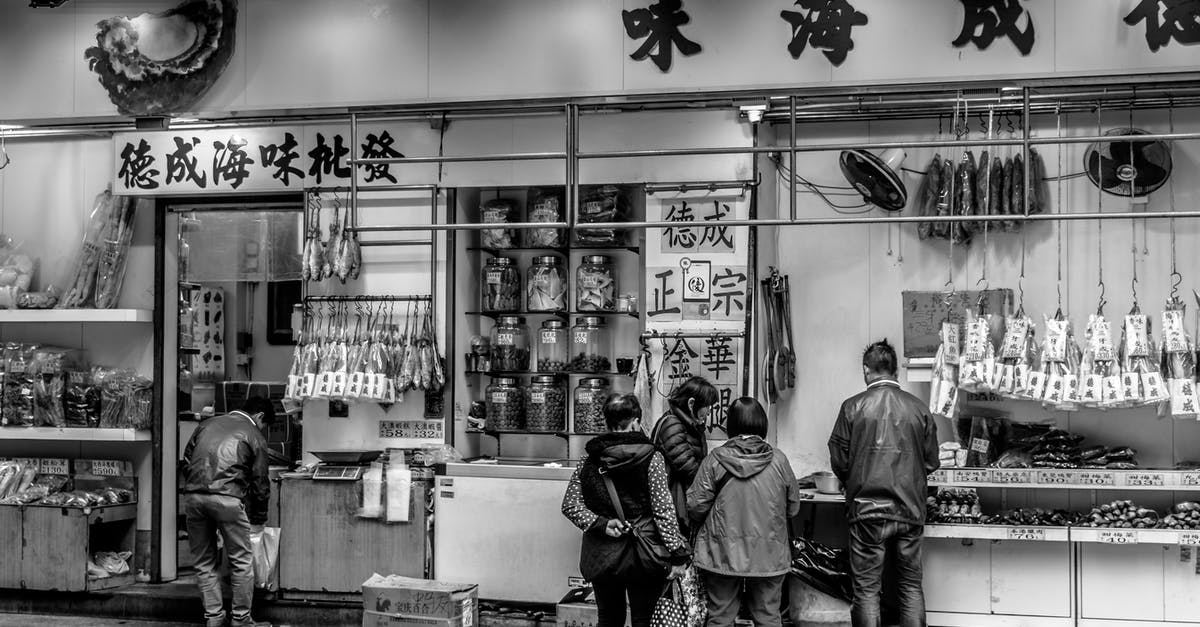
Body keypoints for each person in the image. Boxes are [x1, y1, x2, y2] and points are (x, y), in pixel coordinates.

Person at [828, 340, 940, 627]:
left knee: (866, 591)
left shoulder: (852, 407)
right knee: (910, 586)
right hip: (910, 510)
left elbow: (839, 459)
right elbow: (931, 462)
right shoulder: (919, 408)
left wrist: (849, 480)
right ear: (895, 370)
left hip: (866, 512)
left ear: (866, 370)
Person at [562, 394, 690, 627]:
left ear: (607, 422)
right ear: (635, 422)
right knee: (644, 619)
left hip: (602, 556)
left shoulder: (588, 459)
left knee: (609, 618)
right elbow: (663, 511)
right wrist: (678, 553)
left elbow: (570, 505)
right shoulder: (652, 458)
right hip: (643, 555)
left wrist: (601, 524)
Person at [687, 397, 801, 627]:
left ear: (731, 425)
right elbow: (793, 507)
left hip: (721, 552)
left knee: (720, 617)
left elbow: (695, 506)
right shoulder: (779, 460)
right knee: (768, 617)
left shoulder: (714, 461)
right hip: (769, 553)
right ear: (762, 424)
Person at [181, 397, 275, 627]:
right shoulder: (254, 435)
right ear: (260, 416)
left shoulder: (207, 424)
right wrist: (259, 519)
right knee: (241, 561)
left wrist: (198, 486)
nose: (262, 428)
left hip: (194, 497)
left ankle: (214, 617)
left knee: (204, 561)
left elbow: (186, 459)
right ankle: (241, 618)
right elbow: (260, 483)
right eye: (264, 423)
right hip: (229, 500)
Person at [652, 376, 720, 528]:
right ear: (691, 404)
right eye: (707, 406)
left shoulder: (689, 425)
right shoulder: (673, 424)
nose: (708, 412)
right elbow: (689, 469)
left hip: (682, 503)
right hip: (675, 506)